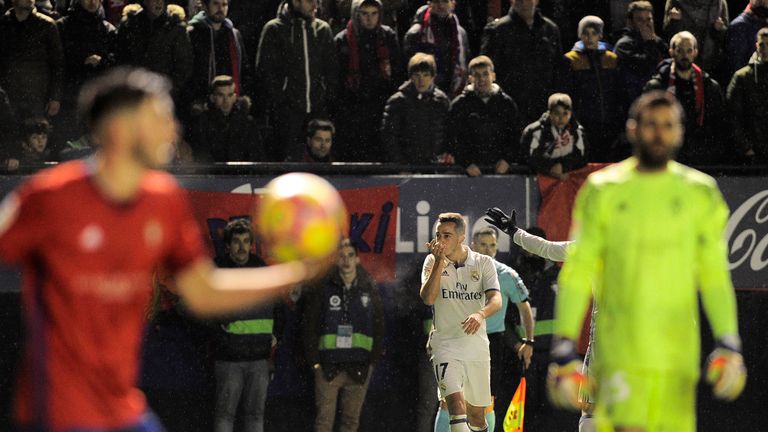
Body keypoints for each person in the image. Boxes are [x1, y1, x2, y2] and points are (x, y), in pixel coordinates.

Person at [0, 67, 333, 431]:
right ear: (121, 128)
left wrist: (297, 273)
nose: (173, 129)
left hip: (121, 407)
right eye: (160, 117)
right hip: (58, 411)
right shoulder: (51, 197)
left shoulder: (164, 201)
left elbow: (203, 291)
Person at [546, 90, 747, 432]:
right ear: (632, 129)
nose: (659, 132)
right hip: (619, 350)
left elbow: (713, 275)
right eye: (651, 124)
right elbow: (578, 273)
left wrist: (729, 342)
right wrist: (565, 346)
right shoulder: (602, 190)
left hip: (676, 354)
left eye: (668, 125)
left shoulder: (701, 192)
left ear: (680, 132)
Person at [421, 212, 502, 432]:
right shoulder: (431, 260)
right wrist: (439, 262)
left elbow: (496, 299)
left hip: (475, 347)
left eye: (446, 235)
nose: (440, 241)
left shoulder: (483, 263)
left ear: (461, 237)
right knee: (455, 405)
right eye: (438, 235)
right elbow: (428, 298)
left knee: (477, 417)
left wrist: (480, 314)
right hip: (445, 345)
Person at [303, 239, 385, 432]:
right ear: (336, 260)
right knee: (324, 421)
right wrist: (315, 363)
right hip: (328, 368)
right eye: (341, 256)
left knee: (350, 422)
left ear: (357, 259)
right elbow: (309, 326)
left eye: (350, 255)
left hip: (359, 367)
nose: (346, 260)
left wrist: (372, 362)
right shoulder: (323, 287)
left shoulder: (368, 286)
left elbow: (379, 326)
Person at [212, 219, 278, 432]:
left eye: (246, 241)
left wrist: (277, 335)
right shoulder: (216, 269)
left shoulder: (262, 270)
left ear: (252, 244)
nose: (241, 246)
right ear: (228, 245)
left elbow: (278, 308)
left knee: (256, 416)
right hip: (229, 358)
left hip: (259, 359)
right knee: (225, 415)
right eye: (236, 241)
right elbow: (200, 307)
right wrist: (215, 330)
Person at [255, 0, 338, 161]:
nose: (315, 5)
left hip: (317, 109)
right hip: (287, 113)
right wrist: (282, 101)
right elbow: (265, 71)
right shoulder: (274, 29)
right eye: (310, 1)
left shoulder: (322, 29)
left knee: (319, 162)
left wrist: (324, 98)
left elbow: (332, 70)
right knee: (287, 162)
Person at [644, 30, 726, 165]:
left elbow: (719, 125)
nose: (685, 55)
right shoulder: (656, 87)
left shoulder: (710, 87)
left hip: (702, 159)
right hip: (668, 156)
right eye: (680, 51)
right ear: (671, 52)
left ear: (695, 52)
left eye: (689, 51)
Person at [333, 0, 401, 162]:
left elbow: (397, 72)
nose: (369, 18)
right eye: (364, 14)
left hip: (381, 106)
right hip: (352, 109)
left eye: (374, 14)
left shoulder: (387, 36)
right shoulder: (342, 40)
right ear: (356, 15)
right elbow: (337, 79)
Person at [480, 0, 563, 124]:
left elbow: (558, 70)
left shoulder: (550, 30)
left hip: (543, 108)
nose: (524, 3)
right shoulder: (497, 30)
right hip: (508, 110)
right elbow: (487, 70)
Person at [448, 55, 521, 177]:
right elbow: (452, 138)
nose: (481, 79)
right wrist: (466, 163)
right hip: (468, 174)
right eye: (477, 75)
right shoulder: (459, 105)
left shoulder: (507, 104)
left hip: (501, 172)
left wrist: (507, 160)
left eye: (485, 74)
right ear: (470, 78)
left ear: (493, 76)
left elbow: (515, 136)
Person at [564, 16, 622, 162]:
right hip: (584, 124)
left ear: (600, 35)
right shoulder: (571, 60)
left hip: (609, 124)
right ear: (580, 35)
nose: (589, 37)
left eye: (594, 33)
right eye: (585, 33)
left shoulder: (611, 59)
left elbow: (618, 92)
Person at [380, 52, 451, 165]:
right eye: (417, 75)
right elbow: (389, 137)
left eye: (425, 75)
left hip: (435, 169)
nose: (421, 80)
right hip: (406, 168)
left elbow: (449, 134)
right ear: (411, 76)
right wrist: (400, 165)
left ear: (433, 77)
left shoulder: (441, 101)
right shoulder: (398, 102)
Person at [0, 0, 64, 119]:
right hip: (8, 96)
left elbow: (57, 64)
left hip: (38, 97)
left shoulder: (47, 25)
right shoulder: (3, 24)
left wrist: (55, 97)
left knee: (34, 134)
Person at [403, 0, 470, 98]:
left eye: (445, 1)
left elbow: (465, 62)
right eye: (436, 1)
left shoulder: (461, 33)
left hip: (454, 90)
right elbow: (408, 69)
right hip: (424, 95)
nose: (441, 5)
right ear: (429, 4)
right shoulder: (416, 33)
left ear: (453, 4)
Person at [187, 75, 262, 162]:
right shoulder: (201, 123)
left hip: (240, 174)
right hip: (213, 174)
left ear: (234, 97)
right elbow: (201, 155)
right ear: (212, 98)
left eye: (229, 95)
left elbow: (256, 156)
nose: (226, 101)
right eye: (221, 95)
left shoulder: (247, 123)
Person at [187, 0, 249, 105]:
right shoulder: (193, 33)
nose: (220, 8)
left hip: (230, 102)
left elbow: (244, 69)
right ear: (205, 6)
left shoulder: (234, 35)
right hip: (202, 103)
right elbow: (187, 71)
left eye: (224, 4)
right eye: (215, 3)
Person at [613, 1, 668, 116]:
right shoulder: (623, 45)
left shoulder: (658, 42)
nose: (646, 24)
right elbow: (643, 67)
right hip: (634, 107)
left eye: (649, 19)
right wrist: (649, 43)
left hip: (658, 103)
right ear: (630, 22)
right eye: (640, 20)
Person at [726, 26, 768, 164]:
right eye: (762, 45)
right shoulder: (742, 77)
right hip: (753, 153)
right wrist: (746, 148)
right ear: (756, 45)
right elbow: (733, 116)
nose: (765, 49)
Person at [523, 93, 588, 181]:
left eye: (565, 113)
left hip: (567, 180)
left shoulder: (577, 131)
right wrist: (550, 169)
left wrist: (564, 166)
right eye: (557, 113)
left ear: (571, 113)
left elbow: (583, 157)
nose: (561, 118)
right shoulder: (534, 131)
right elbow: (528, 158)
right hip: (541, 181)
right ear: (549, 113)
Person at [662, 0, 728, 74]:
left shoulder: (719, 3)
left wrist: (718, 29)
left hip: (711, 63)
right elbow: (667, 32)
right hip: (683, 63)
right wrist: (674, 22)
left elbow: (726, 37)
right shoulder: (675, 2)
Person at [726, 0, 768, 79]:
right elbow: (736, 65)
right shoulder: (740, 26)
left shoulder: (763, 23)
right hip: (750, 84)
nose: (765, 3)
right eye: (761, 1)